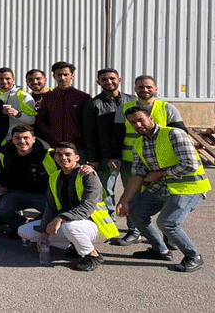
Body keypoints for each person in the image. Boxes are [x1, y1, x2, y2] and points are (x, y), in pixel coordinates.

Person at [117, 107, 210, 272]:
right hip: (162, 187)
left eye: (140, 120)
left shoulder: (174, 134)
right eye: (132, 122)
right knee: (135, 211)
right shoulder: (138, 143)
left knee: (167, 223)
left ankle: (194, 257)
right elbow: (137, 174)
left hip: (188, 187)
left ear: (151, 118)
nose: (137, 125)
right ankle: (160, 251)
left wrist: (161, 174)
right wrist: (124, 200)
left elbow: (190, 164)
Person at [18, 142, 119, 272]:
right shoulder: (54, 177)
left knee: (69, 226)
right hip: (69, 224)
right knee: (24, 231)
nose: (63, 158)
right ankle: (76, 245)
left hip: (96, 226)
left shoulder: (88, 175)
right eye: (59, 154)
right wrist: (44, 232)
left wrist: (61, 218)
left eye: (68, 154)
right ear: (55, 158)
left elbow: (88, 206)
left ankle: (93, 255)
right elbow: (51, 207)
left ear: (77, 157)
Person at [111, 74, 187, 246]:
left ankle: (169, 236)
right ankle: (134, 232)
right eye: (140, 87)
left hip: (161, 162)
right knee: (132, 197)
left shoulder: (167, 108)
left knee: (167, 198)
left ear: (155, 89)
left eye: (148, 87)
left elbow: (182, 134)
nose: (144, 90)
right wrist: (115, 156)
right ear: (135, 89)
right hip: (131, 160)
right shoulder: (124, 108)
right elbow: (117, 135)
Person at [80, 69, 135, 229]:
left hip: (130, 155)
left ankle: (134, 229)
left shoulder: (132, 101)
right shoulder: (93, 104)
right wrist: (93, 159)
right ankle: (108, 226)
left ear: (119, 79)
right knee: (106, 193)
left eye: (112, 78)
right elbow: (88, 134)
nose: (109, 82)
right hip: (104, 156)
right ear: (99, 82)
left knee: (131, 193)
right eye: (104, 79)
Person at [0, 125, 56, 238]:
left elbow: (69, 168)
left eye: (26, 138)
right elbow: (3, 181)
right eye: (18, 138)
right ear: (12, 140)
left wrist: (85, 168)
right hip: (17, 193)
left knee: (54, 211)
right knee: (0, 208)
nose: (22, 141)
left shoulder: (49, 154)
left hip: (44, 194)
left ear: (33, 139)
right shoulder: (2, 154)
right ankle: (19, 228)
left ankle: (39, 226)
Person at [35, 62, 90, 148]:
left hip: (77, 147)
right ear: (54, 76)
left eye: (65, 75)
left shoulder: (83, 97)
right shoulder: (47, 97)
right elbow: (41, 120)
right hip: (53, 146)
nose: (62, 78)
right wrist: (49, 135)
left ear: (72, 75)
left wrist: (79, 135)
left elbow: (88, 122)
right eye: (59, 75)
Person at [0, 67, 37, 141]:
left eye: (7, 79)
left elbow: (32, 120)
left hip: (16, 140)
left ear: (13, 79)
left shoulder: (24, 96)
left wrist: (17, 114)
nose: (4, 81)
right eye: (0, 79)